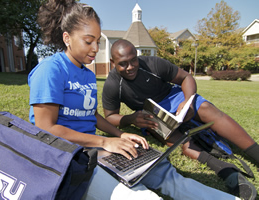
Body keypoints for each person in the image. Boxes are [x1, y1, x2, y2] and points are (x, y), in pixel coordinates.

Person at [28, 1, 242, 199]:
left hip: (91, 147)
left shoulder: (86, 74)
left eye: (97, 40)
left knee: (163, 173)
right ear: (67, 38)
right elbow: (46, 128)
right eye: (88, 41)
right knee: (139, 196)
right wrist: (105, 142)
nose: (95, 48)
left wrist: (122, 135)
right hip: (65, 154)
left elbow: (90, 114)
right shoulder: (50, 70)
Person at [102, 39, 258, 200]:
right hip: (152, 114)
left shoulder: (153, 63)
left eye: (133, 60)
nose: (130, 67)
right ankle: (226, 170)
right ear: (113, 62)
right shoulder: (112, 85)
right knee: (179, 142)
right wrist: (132, 119)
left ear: (137, 55)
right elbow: (110, 116)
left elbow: (186, 78)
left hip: (174, 97)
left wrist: (188, 101)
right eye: (123, 64)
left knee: (205, 109)